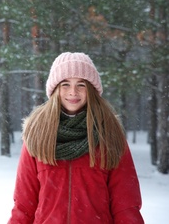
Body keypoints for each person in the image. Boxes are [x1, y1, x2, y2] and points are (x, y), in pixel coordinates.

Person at [8, 52, 144, 223]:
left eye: (81, 85)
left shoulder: (109, 134)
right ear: (55, 89)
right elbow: (24, 205)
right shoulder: (38, 135)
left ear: (92, 90)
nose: (73, 92)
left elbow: (126, 205)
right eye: (65, 84)